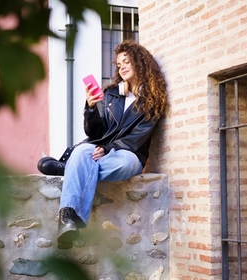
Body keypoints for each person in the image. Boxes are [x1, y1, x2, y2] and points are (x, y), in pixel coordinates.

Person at [56, 40, 169, 249]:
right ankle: (68, 220)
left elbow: (137, 137)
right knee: (82, 150)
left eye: (127, 61)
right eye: (119, 65)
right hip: (100, 149)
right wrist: (90, 107)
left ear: (140, 63)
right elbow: (96, 133)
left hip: (128, 153)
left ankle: (70, 168)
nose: (122, 67)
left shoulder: (153, 99)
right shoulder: (111, 94)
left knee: (123, 163)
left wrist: (109, 148)